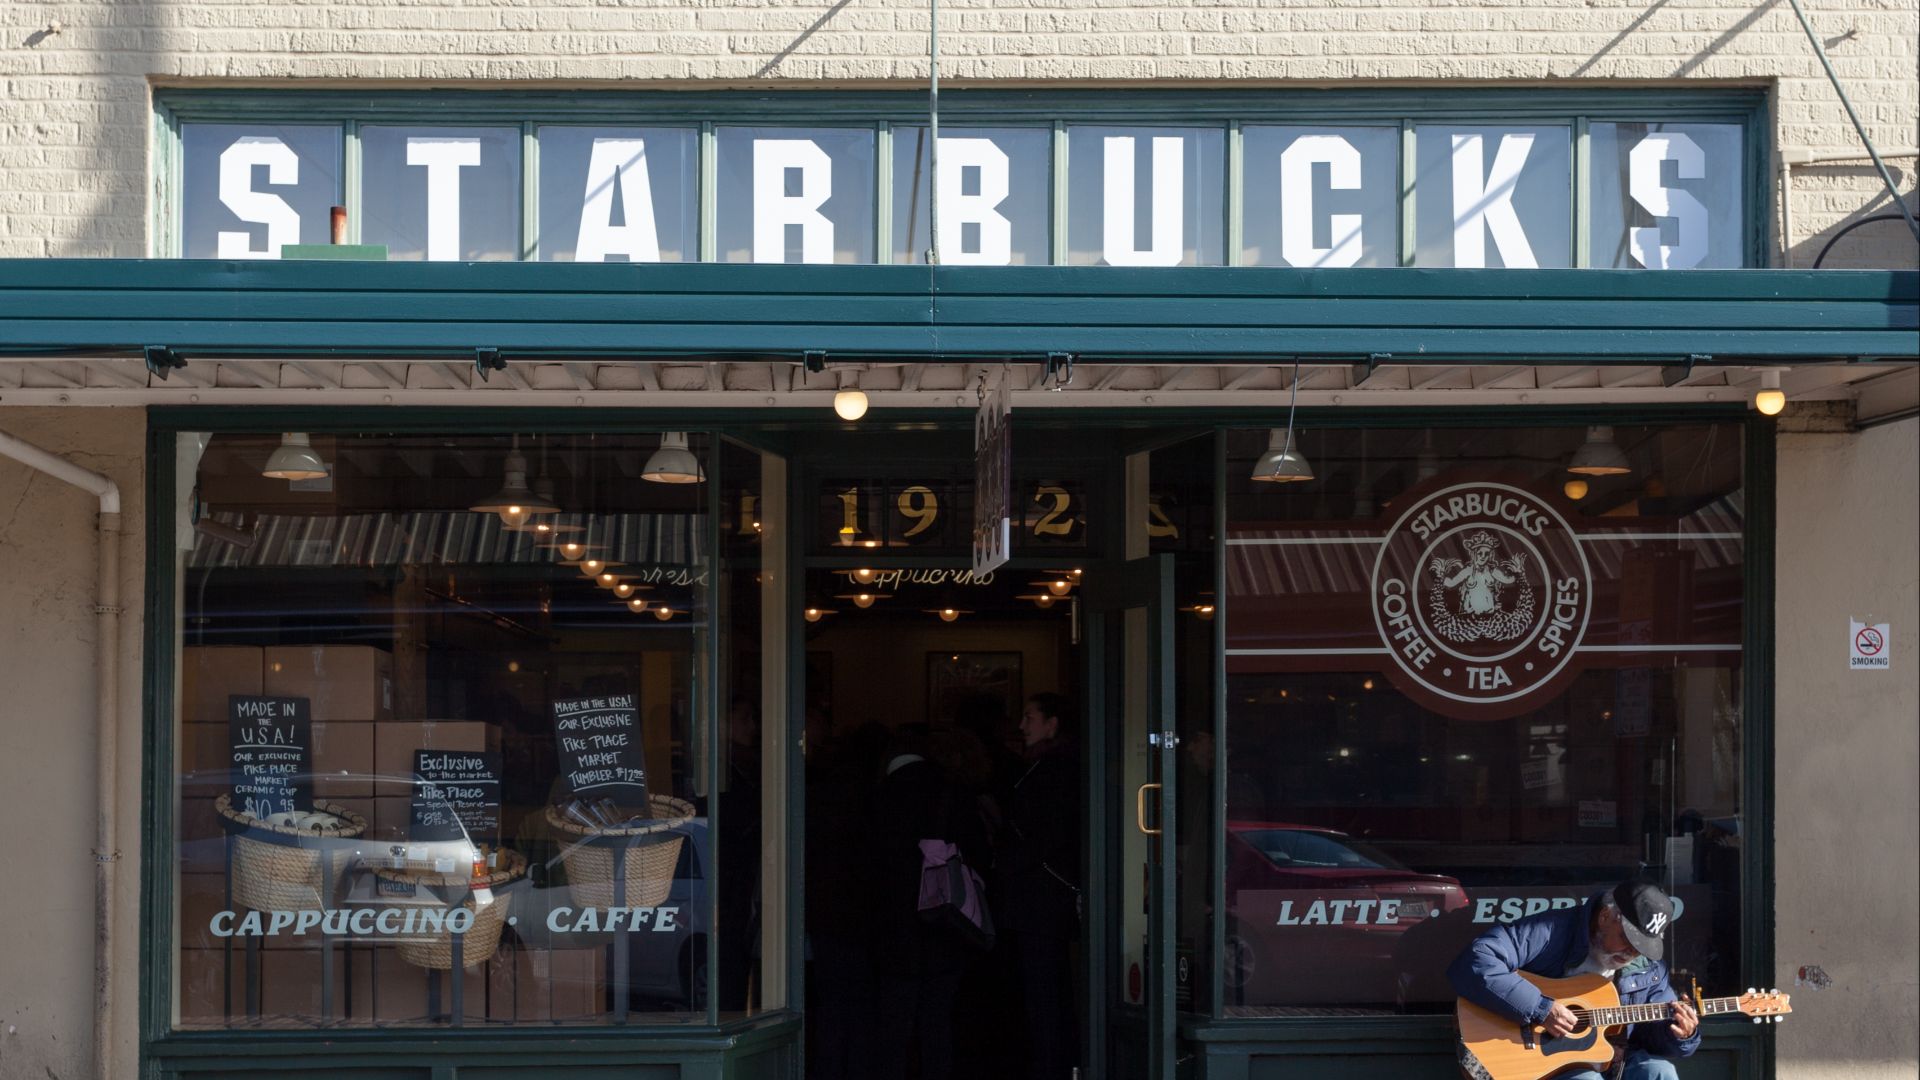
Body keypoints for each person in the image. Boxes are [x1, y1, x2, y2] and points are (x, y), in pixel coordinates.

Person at [1448, 880, 1700, 1080]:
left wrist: (1681, 1035)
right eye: (1629, 939)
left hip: (1616, 1060)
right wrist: (1541, 1008)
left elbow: (1654, 1035)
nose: (1632, 952)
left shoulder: (1649, 968)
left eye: (1643, 946)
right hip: (1550, 1064)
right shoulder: (1551, 931)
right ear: (1605, 916)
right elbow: (1476, 961)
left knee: (1660, 1073)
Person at [994, 693, 1081, 1080]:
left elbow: (1048, 835)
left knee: (1044, 992)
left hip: (1042, 899)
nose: (1021, 726)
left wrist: (1006, 862)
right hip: (1038, 897)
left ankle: (1051, 1066)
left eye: (1029, 717)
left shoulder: (1055, 769)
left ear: (1052, 723)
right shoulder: (1043, 766)